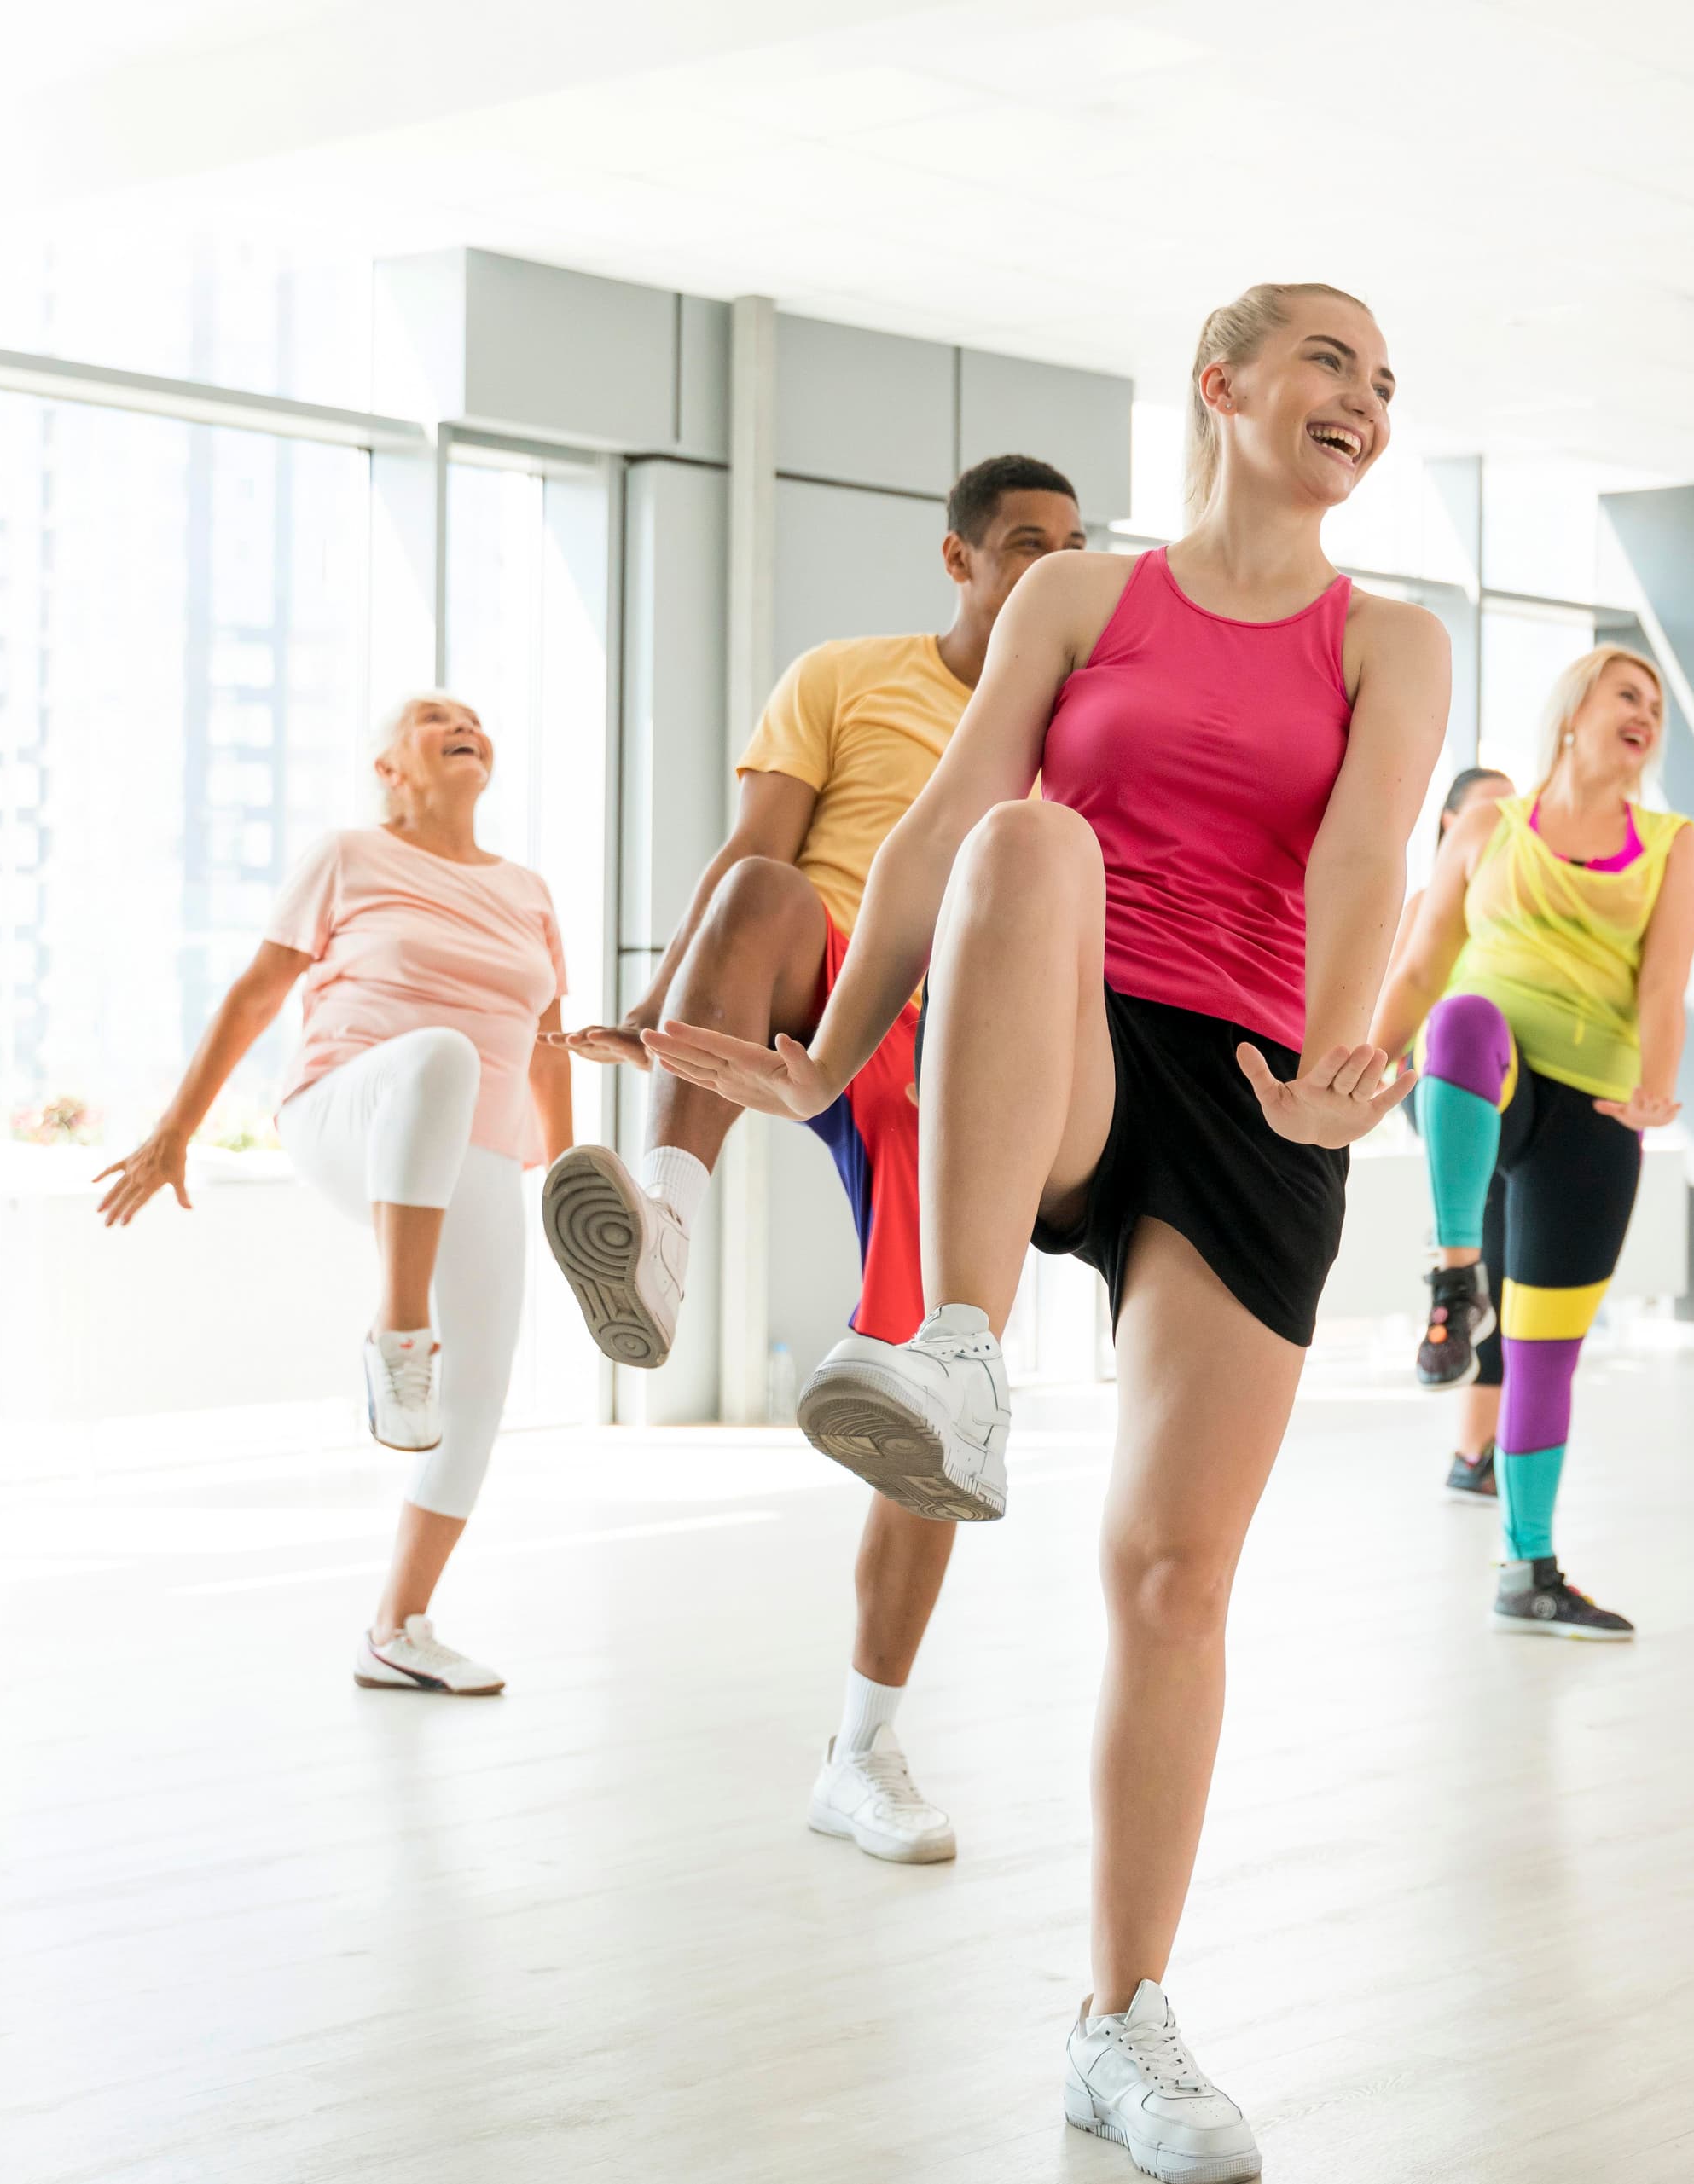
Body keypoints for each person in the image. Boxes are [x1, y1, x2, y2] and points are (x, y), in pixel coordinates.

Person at [645, 283, 1444, 2183]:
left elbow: (1366, 846)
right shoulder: (1083, 594)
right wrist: (832, 1056)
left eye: (1388, 384)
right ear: (1225, 385)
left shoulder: (1389, 634)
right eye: (1330, 360)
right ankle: (966, 1350)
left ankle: (1121, 2023)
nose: (1365, 397)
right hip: (1069, 1041)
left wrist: (1340, 1056)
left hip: (1258, 1090)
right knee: (1030, 840)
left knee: (1173, 1573)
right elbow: (934, 824)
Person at [542, 456, 1082, 1864]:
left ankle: (864, 1747)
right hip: (819, 976)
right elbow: (744, 864)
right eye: (1027, 543)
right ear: (959, 560)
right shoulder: (845, 677)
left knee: (928, 1403)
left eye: (1076, 549)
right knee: (771, 888)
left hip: (958, 1052)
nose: (1053, 566)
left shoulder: (1080, 727)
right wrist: (664, 1018)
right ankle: (660, 1227)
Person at [98, 693, 570, 1696]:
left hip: (473, 1149)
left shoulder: (527, 890)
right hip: (346, 1109)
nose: (464, 722)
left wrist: (568, 1183)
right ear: (390, 767)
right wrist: (175, 1131)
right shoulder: (349, 855)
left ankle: (397, 1628)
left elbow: (547, 1044)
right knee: (439, 1054)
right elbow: (256, 993)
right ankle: (400, 1334)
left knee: (482, 1390)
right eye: (433, 716)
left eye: (475, 716)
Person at [1376, 648, 1694, 1639]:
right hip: (1492, 1078)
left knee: (1544, 1352)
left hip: (1594, 1113)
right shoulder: (1489, 827)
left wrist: (1657, 1089)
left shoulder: (1669, 843)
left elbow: (1663, 983)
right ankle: (1453, 1278)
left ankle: (1528, 1566)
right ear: (1574, 711)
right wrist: (1360, 1068)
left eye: (1655, 704)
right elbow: (1423, 957)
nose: (1646, 713)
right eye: (1628, 694)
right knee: (1464, 1015)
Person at [1387, 767, 1516, 1502]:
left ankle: (1480, 1450)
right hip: (1443, 1079)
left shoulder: (1520, 899)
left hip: (1513, 1081)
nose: (1504, 821)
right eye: (1489, 810)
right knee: (1490, 1259)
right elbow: (1398, 993)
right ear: (1451, 824)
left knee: (1508, 1266)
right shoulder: (1427, 904)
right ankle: (1474, 1453)